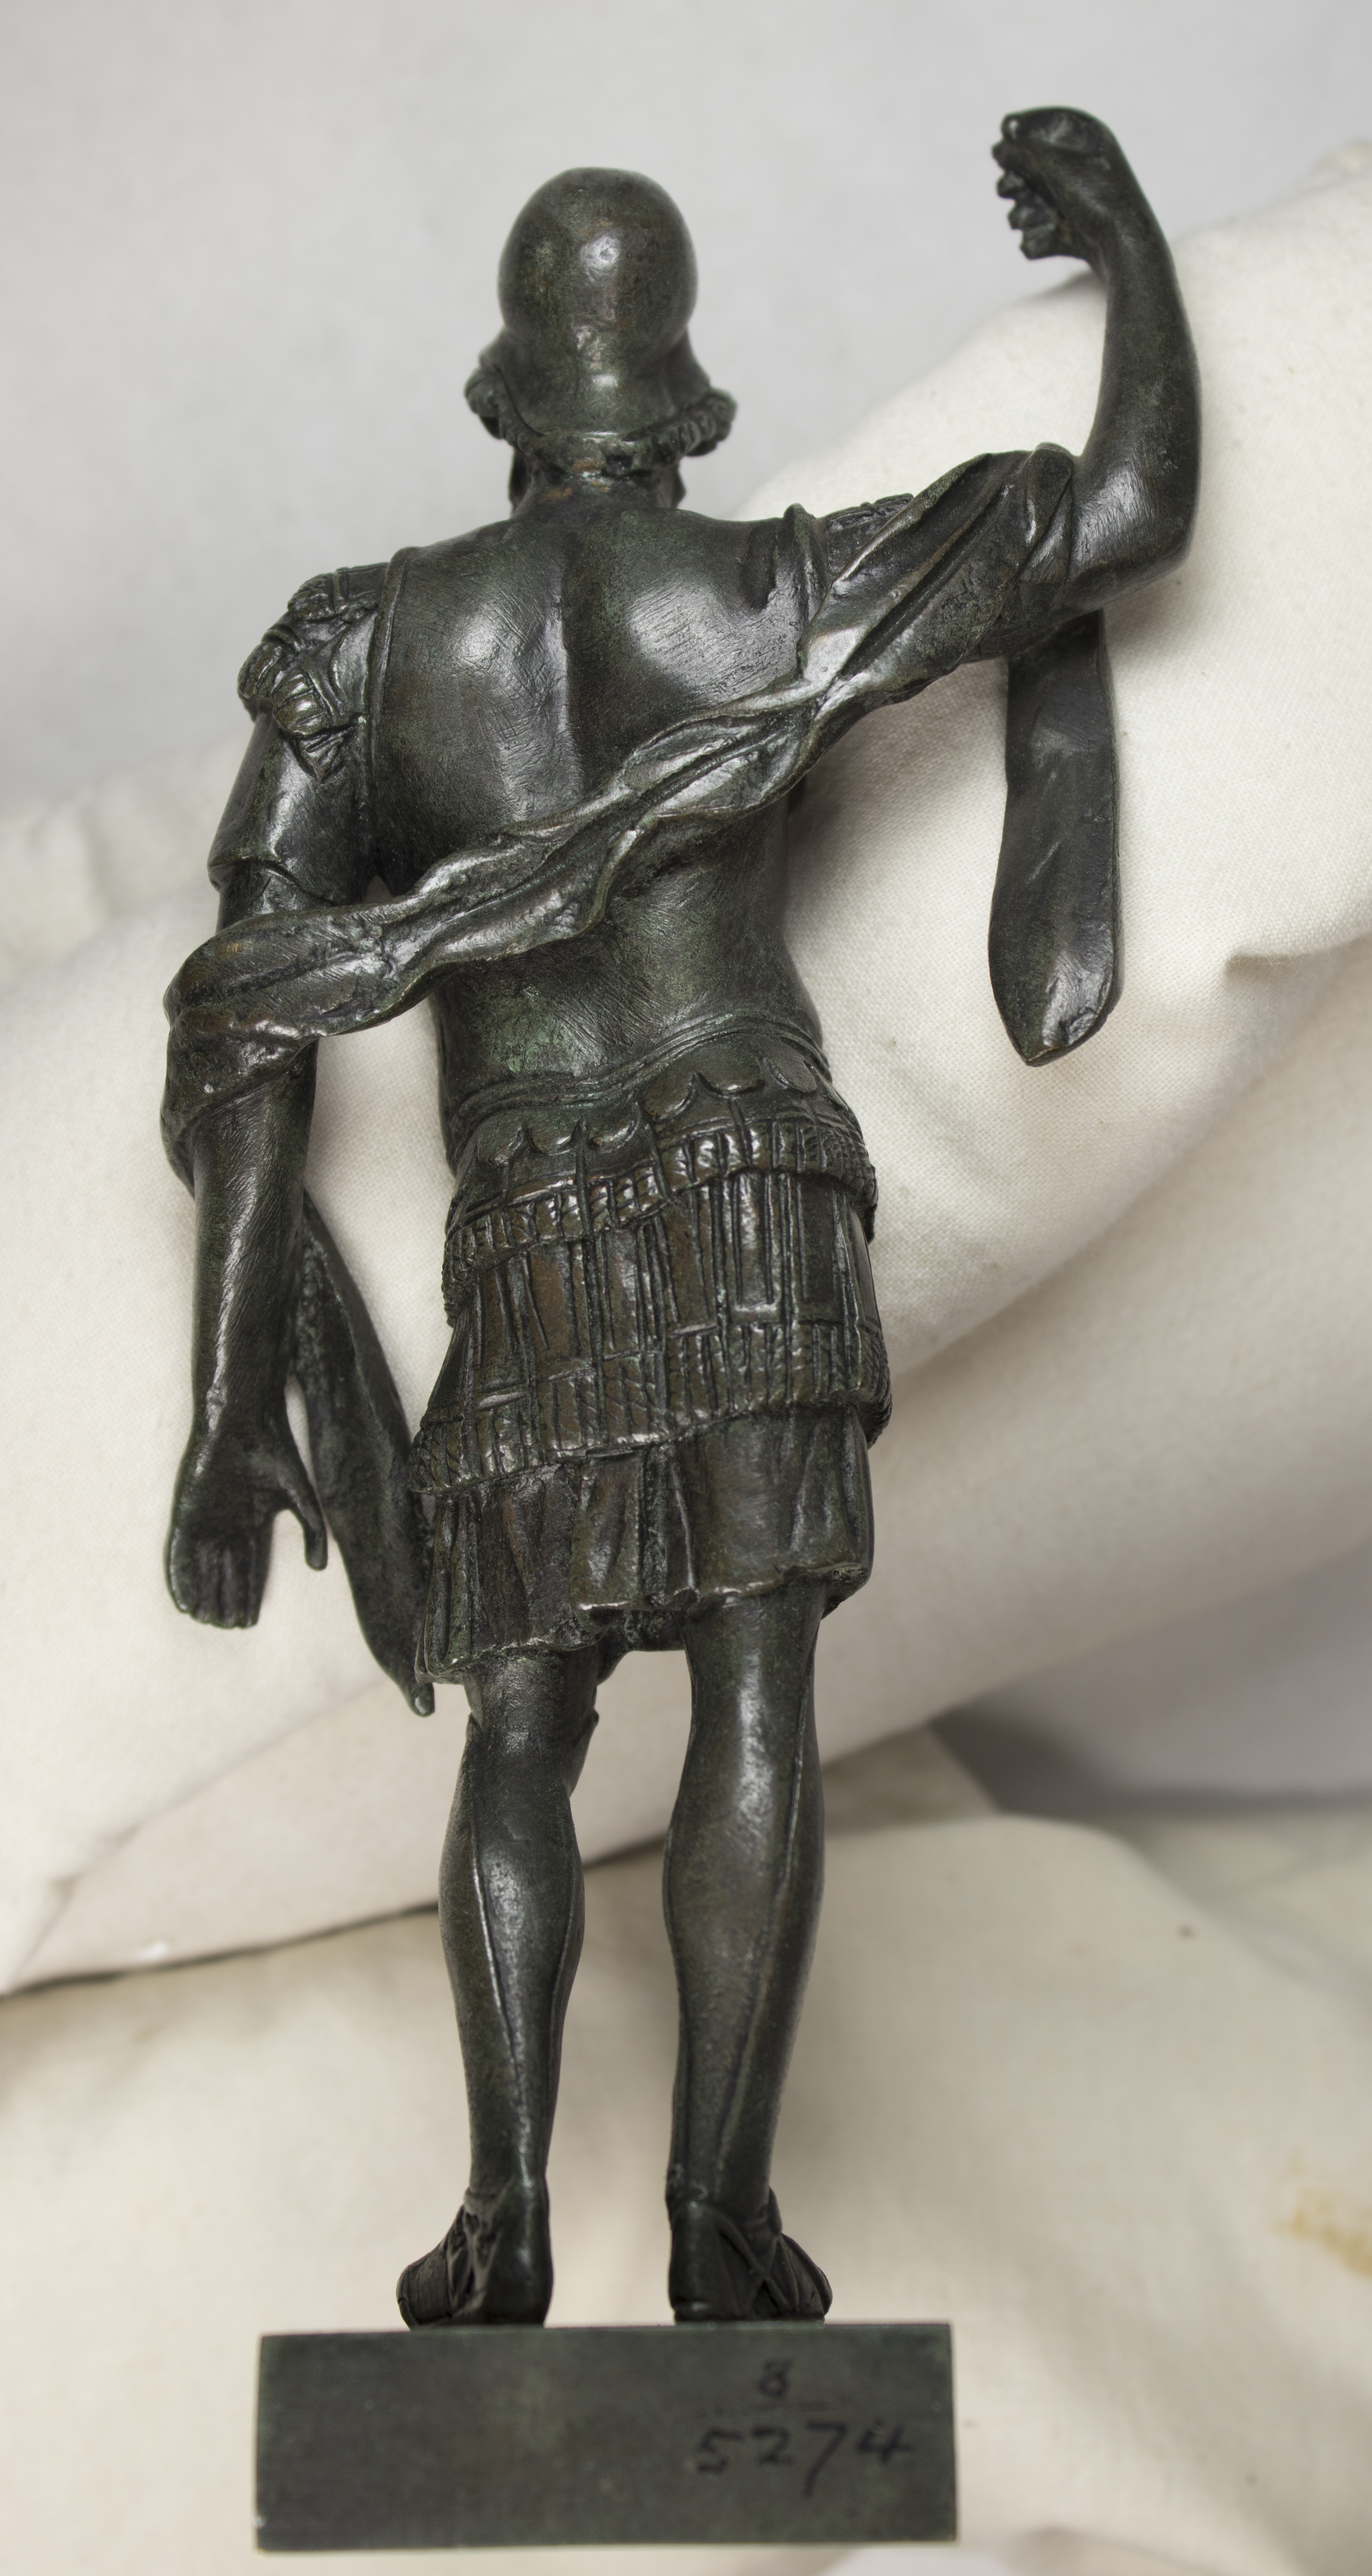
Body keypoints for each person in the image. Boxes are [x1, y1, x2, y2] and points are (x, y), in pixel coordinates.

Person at [163, 111, 1199, 2327]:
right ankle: (724, 2215)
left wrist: (232, 1388)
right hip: (750, 1180)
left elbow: (247, 1018)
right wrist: (1124, 239)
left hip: (530, 1212)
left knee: (519, 1725)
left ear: (507, 397)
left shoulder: (362, 651)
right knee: (753, 1687)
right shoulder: (769, 596)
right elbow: (1133, 510)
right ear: (683, 405)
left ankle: (501, 2218)